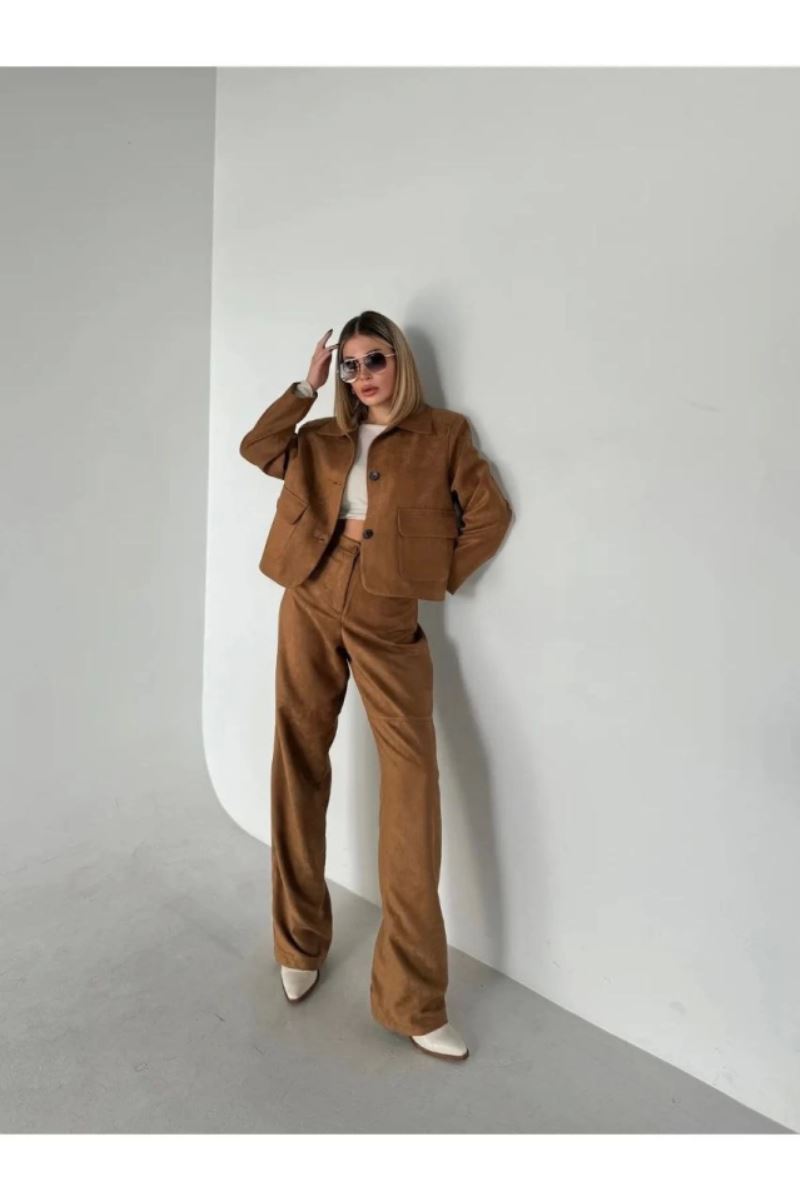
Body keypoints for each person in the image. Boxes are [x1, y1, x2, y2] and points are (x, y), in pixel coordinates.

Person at [239, 310, 513, 1062]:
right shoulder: (322, 435)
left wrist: (429, 576)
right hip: (309, 591)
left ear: (401, 361)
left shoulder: (444, 434)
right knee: (298, 759)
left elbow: (490, 515)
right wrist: (306, 386)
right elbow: (257, 448)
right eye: (351, 365)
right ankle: (298, 942)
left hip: (387, 607)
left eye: (375, 360)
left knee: (413, 785)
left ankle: (412, 999)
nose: (362, 376)